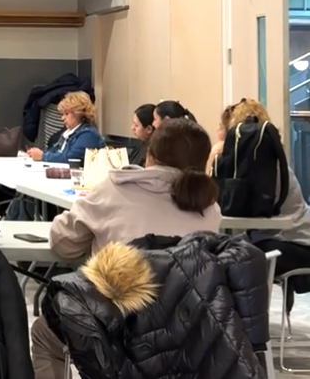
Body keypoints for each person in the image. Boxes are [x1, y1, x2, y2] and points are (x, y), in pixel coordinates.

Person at [32, 117, 222, 379]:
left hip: (119, 331)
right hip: (188, 333)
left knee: (44, 333)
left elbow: (63, 241)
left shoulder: (115, 189)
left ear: (151, 154)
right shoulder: (210, 209)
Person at [224, 99, 310, 311]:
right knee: (228, 251)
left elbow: (245, 211)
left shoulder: (269, 172)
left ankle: (246, 326)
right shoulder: (270, 165)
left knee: (231, 258)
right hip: (282, 239)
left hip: (297, 245)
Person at [25, 91, 104, 164]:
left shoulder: (88, 135)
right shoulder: (69, 132)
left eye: (66, 114)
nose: (62, 118)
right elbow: (55, 151)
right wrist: (37, 153)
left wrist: (43, 156)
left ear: (78, 113)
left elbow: (71, 159)